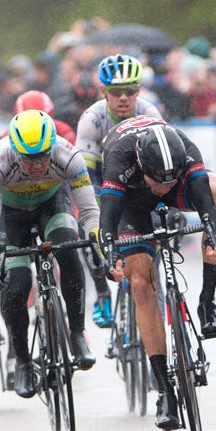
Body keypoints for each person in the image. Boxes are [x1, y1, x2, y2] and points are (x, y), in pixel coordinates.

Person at [99, 117, 216, 430]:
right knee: (141, 283)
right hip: (131, 201)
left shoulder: (186, 149)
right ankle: (164, 389)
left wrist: (215, 237)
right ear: (142, 164)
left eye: (172, 177)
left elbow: (208, 205)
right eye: (160, 178)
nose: (166, 183)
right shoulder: (120, 157)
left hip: (174, 194)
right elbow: (107, 220)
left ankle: (207, 302)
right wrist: (111, 255)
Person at [0, 110, 99, 398]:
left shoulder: (67, 154)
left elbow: (89, 211)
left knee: (69, 249)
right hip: (11, 217)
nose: (37, 165)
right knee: (17, 285)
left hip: (51, 206)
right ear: (15, 151)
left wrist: (96, 243)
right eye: (28, 158)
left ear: (52, 147)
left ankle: (77, 334)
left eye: (43, 156)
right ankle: (21, 360)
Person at [76, 54, 162, 329]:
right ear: (103, 92)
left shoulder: (150, 114)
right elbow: (86, 177)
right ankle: (102, 293)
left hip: (142, 188)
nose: (123, 97)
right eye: (115, 92)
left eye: (131, 91)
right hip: (105, 187)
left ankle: (153, 292)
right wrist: (100, 213)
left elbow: (166, 164)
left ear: (139, 90)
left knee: (158, 234)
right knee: (89, 229)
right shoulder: (92, 120)